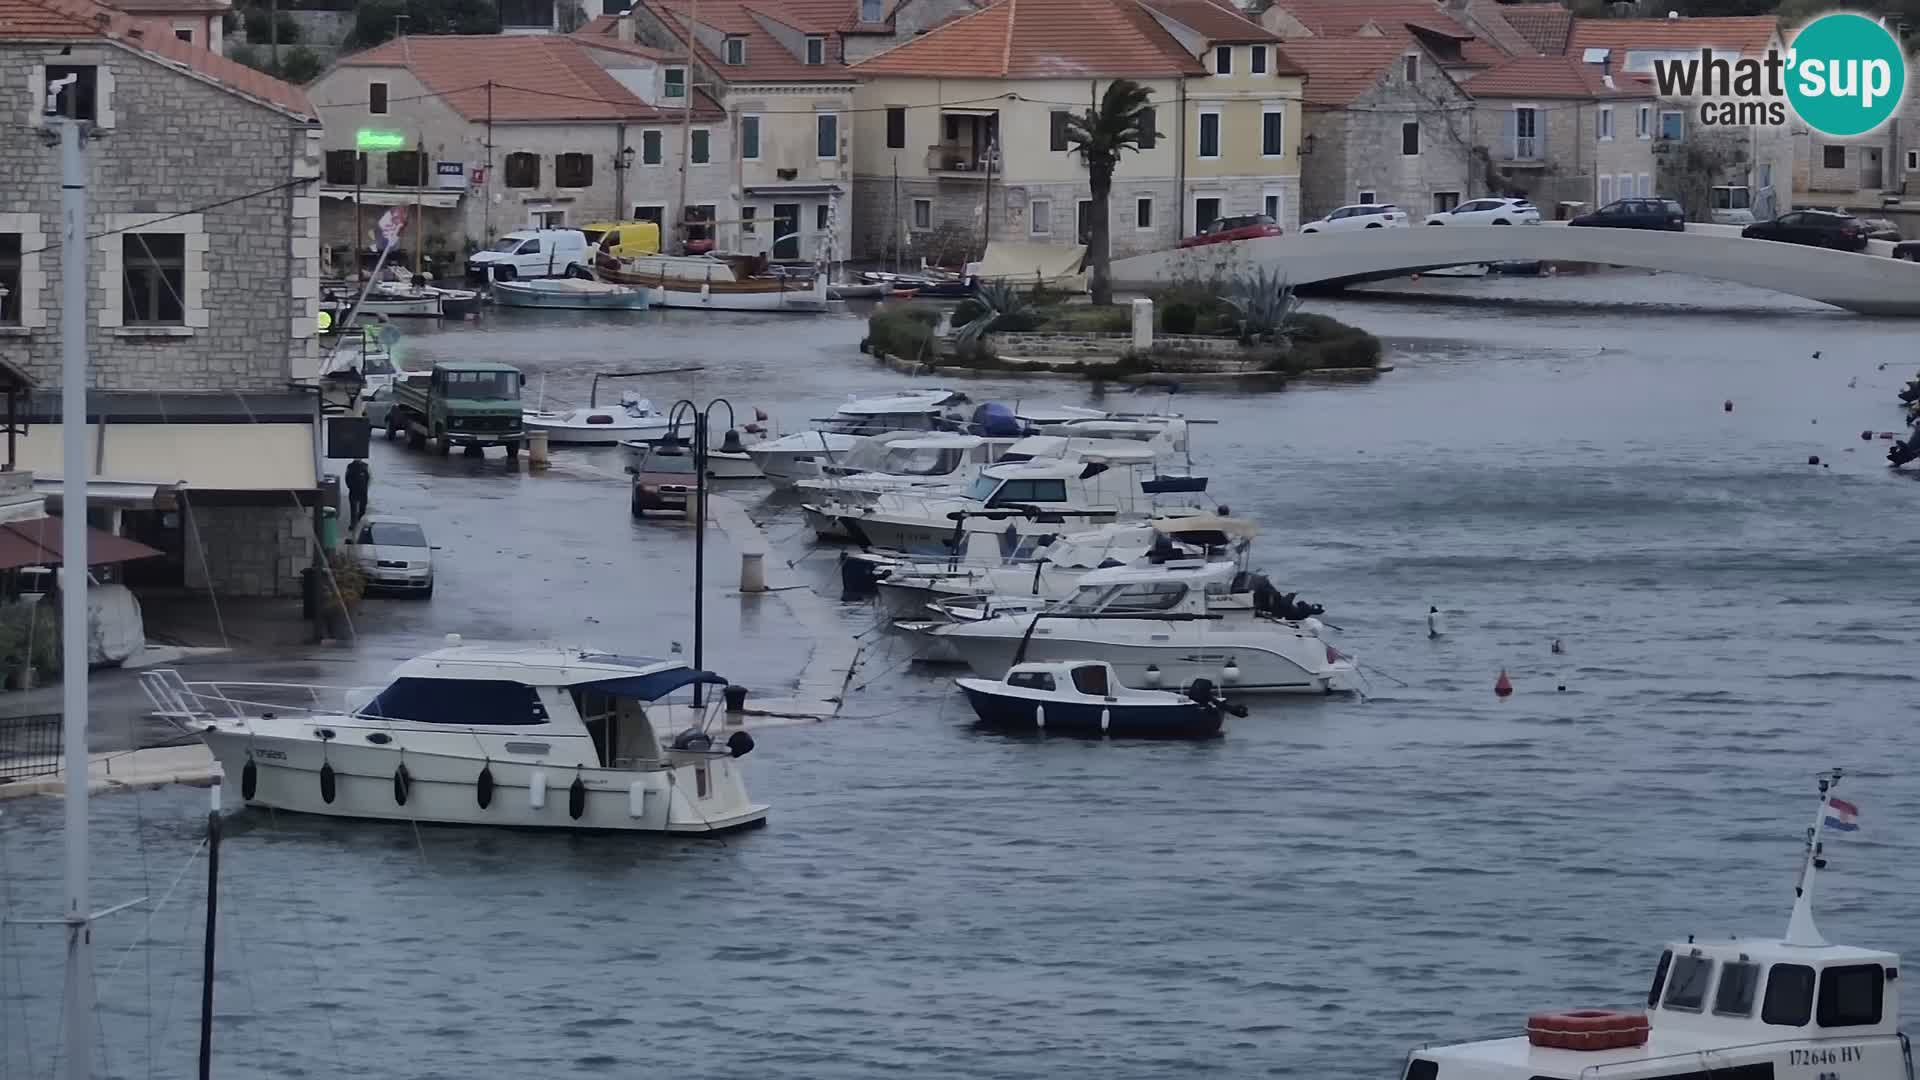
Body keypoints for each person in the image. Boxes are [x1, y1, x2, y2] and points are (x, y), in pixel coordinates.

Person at [345, 458, 370, 524]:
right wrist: (350, 486)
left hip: (363, 491)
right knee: (353, 509)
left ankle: (359, 522)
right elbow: (347, 477)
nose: (358, 459)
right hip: (354, 490)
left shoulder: (366, 466)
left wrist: (366, 487)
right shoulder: (350, 466)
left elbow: (369, 478)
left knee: (362, 509)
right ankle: (353, 524)